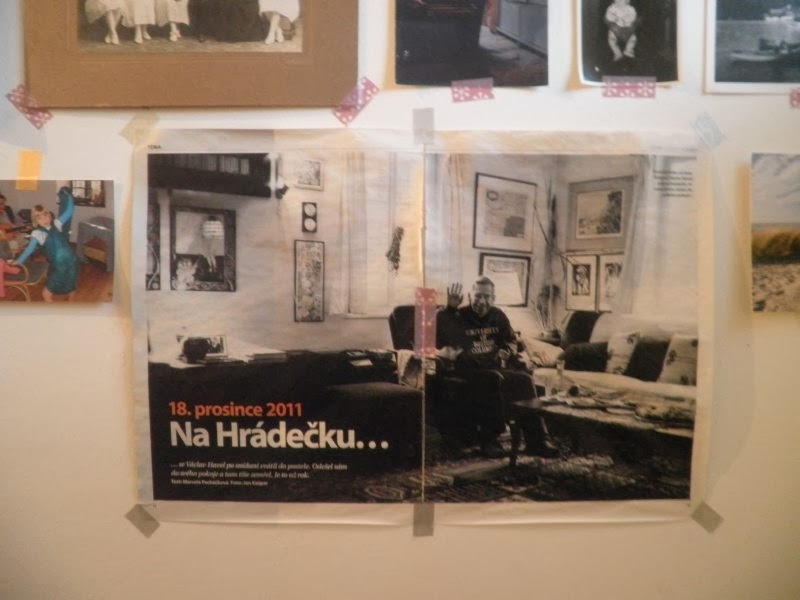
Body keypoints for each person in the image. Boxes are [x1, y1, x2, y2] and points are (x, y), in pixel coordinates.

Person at [436, 277, 557, 458]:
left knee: (525, 379)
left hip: (493, 366)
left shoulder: (498, 316)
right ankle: (490, 440)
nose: (482, 301)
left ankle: (537, 441)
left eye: (487, 297)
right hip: (467, 370)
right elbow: (439, 336)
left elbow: (511, 340)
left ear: (493, 298)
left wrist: (506, 350)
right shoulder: (457, 315)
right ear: (469, 296)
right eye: (477, 296)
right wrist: (450, 309)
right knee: (492, 380)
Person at [9, 187, 81, 302]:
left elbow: (69, 211)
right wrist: (19, 261)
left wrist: (69, 197)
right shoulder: (37, 233)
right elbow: (29, 250)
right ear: (35, 220)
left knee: (71, 286)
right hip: (60, 266)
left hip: (73, 261)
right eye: (39, 217)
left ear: (50, 215)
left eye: (46, 215)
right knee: (46, 294)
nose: (44, 219)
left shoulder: (57, 223)